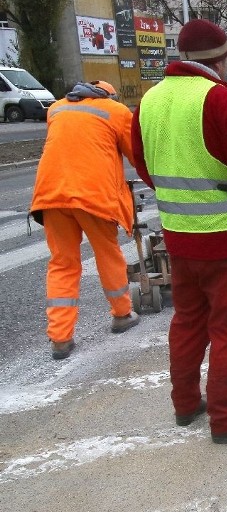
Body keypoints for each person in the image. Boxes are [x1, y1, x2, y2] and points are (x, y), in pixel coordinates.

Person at [131, 19, 227, 444]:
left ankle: (185, 405)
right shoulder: (222, 100)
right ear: (223, 57)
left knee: (188, 322)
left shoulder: (151, 101)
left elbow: (142, 160)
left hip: (178, 237)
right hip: (226, 240)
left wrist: (173, 193)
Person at [29, 80, 140, 360]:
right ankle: (122, 313)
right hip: (93, 197)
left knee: (62, 263)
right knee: (107, 255)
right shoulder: (115, 111)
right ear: (110, 95)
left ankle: (60, 338)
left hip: (51, 196)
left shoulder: (56, 109)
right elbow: (136, 155)